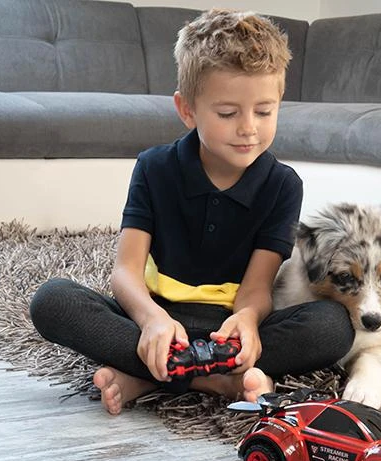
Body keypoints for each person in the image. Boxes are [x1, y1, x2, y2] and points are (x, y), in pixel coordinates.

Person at [29, 9, 354, 415]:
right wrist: (151, 320)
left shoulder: (284, 185)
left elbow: (256, 287)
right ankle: (216, 381)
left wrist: (248, 319)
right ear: (187, 110)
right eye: (227, 113)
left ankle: (148, 375)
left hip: (227, 331)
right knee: (53, 301)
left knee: (332, 326)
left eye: (264, 111)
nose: (249, 128)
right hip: (156, 317)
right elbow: (126, 272)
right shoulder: (153, 167)